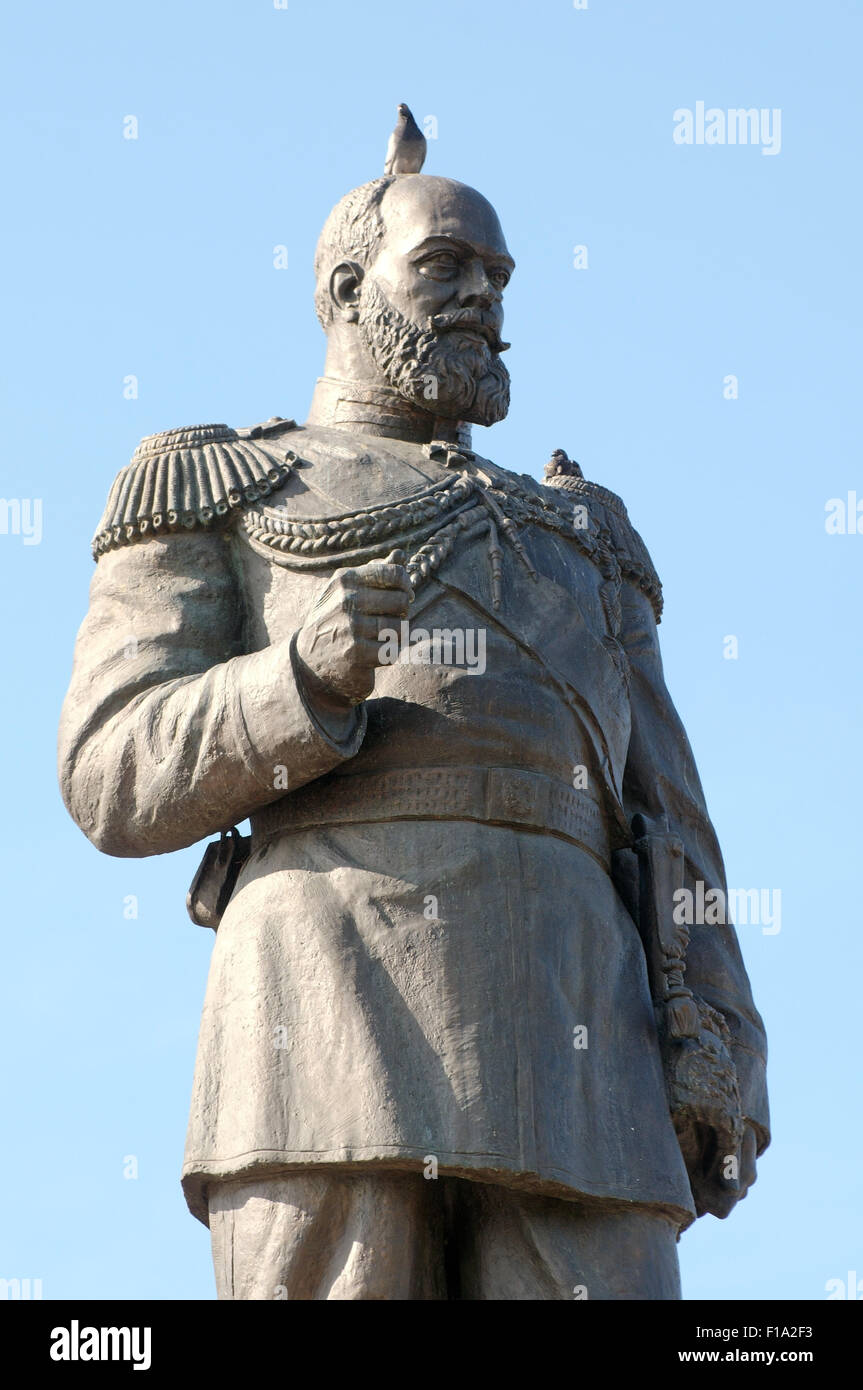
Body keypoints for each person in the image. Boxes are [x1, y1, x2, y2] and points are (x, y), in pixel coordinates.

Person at [58, 109, 768, 1300]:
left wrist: (721, 1042)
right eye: (444, 266)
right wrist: (298, 683)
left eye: (495, 276)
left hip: (579, 1035)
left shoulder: (583, 536)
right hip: (322, 1017)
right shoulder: (221, 489)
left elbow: (674, 822)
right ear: (345, 287)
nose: (481, 297)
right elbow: (109, 770)